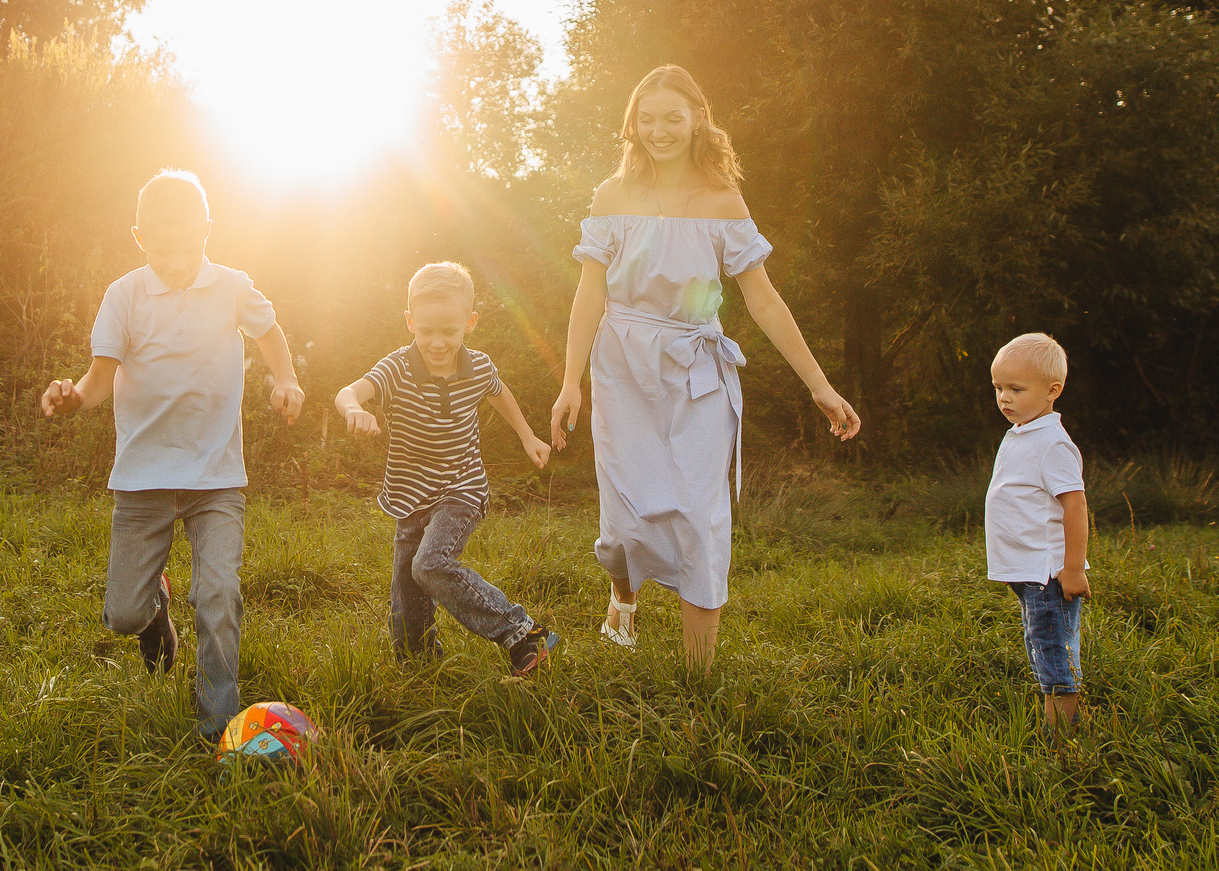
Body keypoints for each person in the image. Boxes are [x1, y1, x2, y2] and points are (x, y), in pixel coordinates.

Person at [548, 65, 861, 669]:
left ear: (698, 119)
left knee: (701, 514)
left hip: (696, 370)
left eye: (672, 116)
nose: (659, 130)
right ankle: (623, 598)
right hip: (622, 367)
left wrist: (819, 385)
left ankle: (699, 678)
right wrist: (570, 380)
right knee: (623, 524)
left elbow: (763, 300)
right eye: (647, 118)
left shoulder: (723, 201)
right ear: (632, 126)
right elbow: (589, 294)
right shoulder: (612, 197)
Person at [40, 169, 303, 741]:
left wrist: (286, 379)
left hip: (216, 476)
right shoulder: (124, 295)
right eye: (163, 249)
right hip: (142, 478)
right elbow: (98, 381)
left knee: (218, 593)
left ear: (208, 229)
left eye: (189, 246)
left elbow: (270, 332)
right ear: (139, 238)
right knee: (124, 617)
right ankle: (153, 609)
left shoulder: (232, 285)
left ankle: (218, 722)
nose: (178, 261)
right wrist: (70, 399)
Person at [334, 261, 562, 677]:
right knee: (406, 609)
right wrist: (353, 407)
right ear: (410, 323)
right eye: (426, 331)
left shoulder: (477, 367)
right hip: (409, 495)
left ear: (470, 323)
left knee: (431, 564)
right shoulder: (397, 368)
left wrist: (528, 436)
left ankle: (522, 632)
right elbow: (349, 391)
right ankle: (423, 669)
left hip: (462, 487)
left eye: (449, 332)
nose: (437, 343)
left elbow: (499, 392)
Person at [984, 331, 1090, 731]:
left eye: (1015, 388)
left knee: (1055, 657)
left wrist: (1074, 568)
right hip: (1025, 572)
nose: (1004, 397)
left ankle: (1063, 741)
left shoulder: (1052, 443)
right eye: (998, 388)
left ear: (1052, 391)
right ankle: (1057, 725)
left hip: (1048, 574)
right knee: (1041, 647)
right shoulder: (1021, 433)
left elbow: (1075, 505)